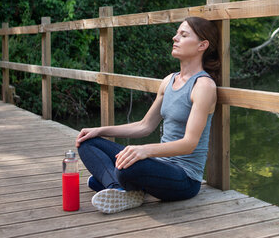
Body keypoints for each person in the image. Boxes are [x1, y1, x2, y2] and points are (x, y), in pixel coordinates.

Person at [75, 16, 220, 214]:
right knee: (88, 143)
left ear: (202, 45)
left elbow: (189, 143)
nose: (174, 38)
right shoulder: (169, 80)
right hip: (159, 165)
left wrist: (144, 151)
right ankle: (118, 187)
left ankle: (112, 180)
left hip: (184, 178)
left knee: (128, 168)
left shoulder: (203, 86)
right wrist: (100, 130)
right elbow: (144, 125)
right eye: (177, 33)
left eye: (183, 35)